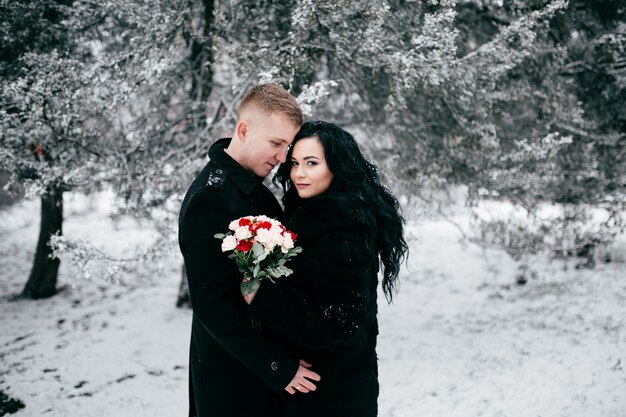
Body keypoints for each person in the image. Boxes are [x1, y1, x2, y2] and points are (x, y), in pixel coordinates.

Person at [244, 121, 409, 417]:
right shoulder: (315, 214)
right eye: (295, 163)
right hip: (326, 387)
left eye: (312, 163)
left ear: (337, 167)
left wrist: (262, 296)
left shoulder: (343, 227)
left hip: (332, 394)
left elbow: (339, 319)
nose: (299, 174)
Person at [178, 84, 321, 417]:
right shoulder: (210, 199)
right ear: (243, 130)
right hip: (232, 379)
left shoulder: (251, 189)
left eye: (288, 146)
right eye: (276, 143)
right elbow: (212, 305)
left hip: (256, 376)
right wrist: (277, 366)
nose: (283, 157)